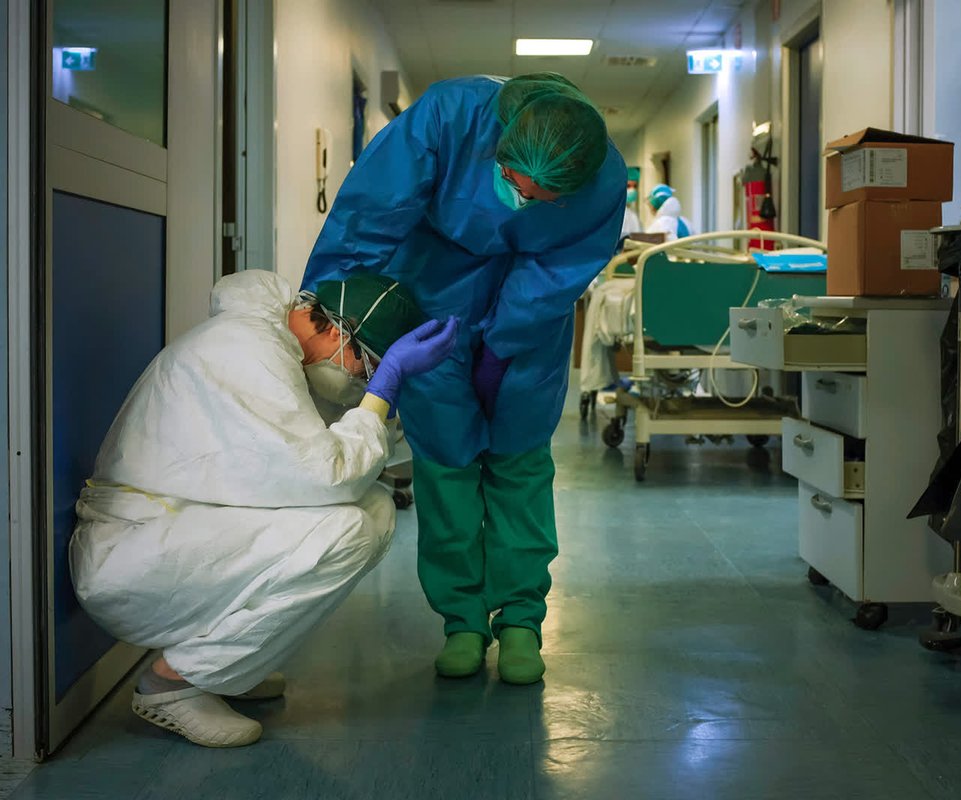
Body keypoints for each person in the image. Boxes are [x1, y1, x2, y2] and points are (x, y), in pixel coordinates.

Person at [303, 73, 626, 685]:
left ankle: (522, 620)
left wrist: (503, 346)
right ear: (498, 150)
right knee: (446, 459)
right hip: (431, 286)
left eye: (544, 199)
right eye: (513, 184)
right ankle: (463, 621)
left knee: (519, 456)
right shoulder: (452, 116)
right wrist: (335, 306)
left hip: (531, 312)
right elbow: (371, 210)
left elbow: (558, 271)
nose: (522, 203)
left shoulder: (602, 176)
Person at [69, 269, 458, 748]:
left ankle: (223, 664)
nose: (363, 382)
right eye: (368, 368)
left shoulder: (274, 347)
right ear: (338, 333)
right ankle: (171, 684)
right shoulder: (249, 352)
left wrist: (382, 396)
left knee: (372, 508)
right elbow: (327, 475)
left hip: (168, 529)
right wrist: (383, 393)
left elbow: (323, 454)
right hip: (127, 555)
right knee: (349, 529)